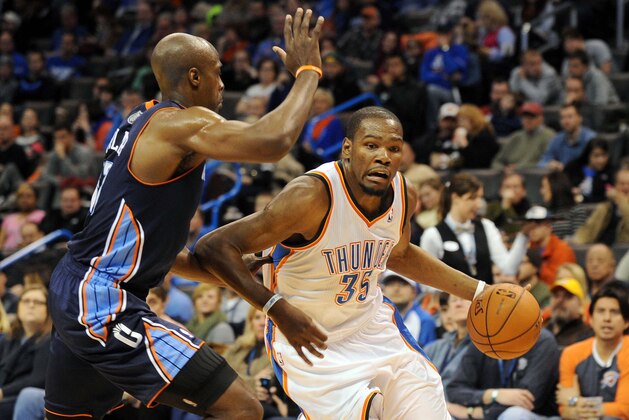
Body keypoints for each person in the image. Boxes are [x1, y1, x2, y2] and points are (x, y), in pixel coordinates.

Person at [44, 9, 325, 419]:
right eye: (218, 71)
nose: (223, 83)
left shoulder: (138, 121)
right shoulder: (179, 123)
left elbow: (136, 241)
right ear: (195, 78)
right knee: (242, 409)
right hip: (102, 301)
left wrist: (220, 270)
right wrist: (308, 72)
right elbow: (273, 142)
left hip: (77, 285)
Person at [195, 106, 497, 419]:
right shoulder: (311, 196)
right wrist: (275, 308)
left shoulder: (404, 193)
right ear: (347, 149)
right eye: (372, 145)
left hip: (371, 328)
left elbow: (400, 254)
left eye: (393, 148)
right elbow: (215, 247)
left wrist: (480, 291)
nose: (384, 156)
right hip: (309, 338)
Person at [421, 173, 530, 285]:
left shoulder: (487, 226)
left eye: (480, 197)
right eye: (472, 198)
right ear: (455, 198)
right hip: (452, 302)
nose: (479, 204)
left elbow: (508, 269)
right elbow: (425, 282)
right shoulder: (432, 235)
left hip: (486, 301)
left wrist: (524, 234)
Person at [556, 282, 629, 419]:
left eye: (615, 312)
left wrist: (576, 401)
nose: (607, 318)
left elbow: (624, 410)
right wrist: (577, 409)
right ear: (590, 319)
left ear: (626, 322)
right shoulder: (571, 353)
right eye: (601, 311)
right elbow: (565, 411)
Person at [0, 285, 51, 418]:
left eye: (38, 302)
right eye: (26, 301)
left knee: (27, 396)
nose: (31, 305)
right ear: (18, 306)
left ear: (48, 309)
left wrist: (3, 392)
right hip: (6, 395)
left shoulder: (51, 340)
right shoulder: (9, 339)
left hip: (21, 398)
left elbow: (37, 380)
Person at [381, 270, 437, 347]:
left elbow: (428, 355)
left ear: (414, 291)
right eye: (391, 284)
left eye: (402, 284)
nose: (396, 289)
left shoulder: (424, 321)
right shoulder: (373, 317)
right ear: (382, 290)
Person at [538, 103, 596, 171]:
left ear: (580, 118)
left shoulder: (590, 139)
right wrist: (549, 164)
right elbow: (542, 161)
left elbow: (595, 166)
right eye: (563, 117)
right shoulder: (557, 139)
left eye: (570, 117)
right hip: (563, 178)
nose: (566, 121)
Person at [546, 278, 592, 349]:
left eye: (568, 296)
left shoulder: (587, 336)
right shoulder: (541, 330)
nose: (560, 301)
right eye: (556, 296)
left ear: (580, 303)